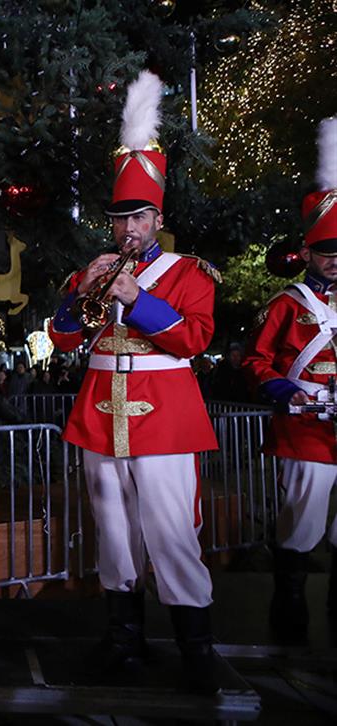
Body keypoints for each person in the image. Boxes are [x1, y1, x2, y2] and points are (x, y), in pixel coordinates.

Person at [48, 72, 221, 692]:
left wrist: (137, 296)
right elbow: (63, 340)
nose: (128, 230)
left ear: (157, 217)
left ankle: (196, 651)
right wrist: (79, 298)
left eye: (139, 218)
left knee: (172, 534)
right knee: (114, 536)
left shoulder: (188, 273)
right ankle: (124, 641)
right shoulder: (89, 270)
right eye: (120, 219)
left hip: (167, 420)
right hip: (100, 414)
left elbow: (195, 339)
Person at [242, 117, 337, 640]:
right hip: (305, 432)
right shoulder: (286, 305)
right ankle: (290, 614)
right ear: (306, 254)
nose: (336, 262)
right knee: (300, 527)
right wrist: (283, 387)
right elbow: (256, 361)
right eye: (327, 254)